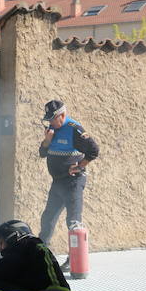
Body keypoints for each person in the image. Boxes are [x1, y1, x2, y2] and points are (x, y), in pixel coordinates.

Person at [38, 99, 100, 272]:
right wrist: (47, 140)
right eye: (48, 119)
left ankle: (75, 261)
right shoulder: (51, 131)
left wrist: (80, 166)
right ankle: (40, 257)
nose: (50, 122)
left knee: (73, 222)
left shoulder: (74, 129)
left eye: (52, 119)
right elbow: (42, 153)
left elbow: (94, 150)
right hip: (57, 182)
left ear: (62, 115)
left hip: (73, 182)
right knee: (47, 219)